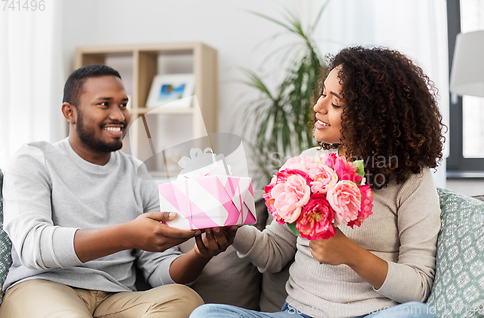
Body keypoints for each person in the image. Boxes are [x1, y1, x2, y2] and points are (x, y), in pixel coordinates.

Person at [190, 46, 446, 318]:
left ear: (371, 117)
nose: (317, 107)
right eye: (323, 94)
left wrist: (351, 254)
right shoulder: (305, 164)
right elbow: (273, 253)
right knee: (206, 315)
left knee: (415, 315)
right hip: (298, 314)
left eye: (335, 103)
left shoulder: (411, 180)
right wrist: (233, 230)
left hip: (373, 314)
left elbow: (418, 286)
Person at [0, 64, 236, 318]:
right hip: (43, 287)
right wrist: (127, 235)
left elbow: (157, 268)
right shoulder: (34, 159)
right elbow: (33, 247)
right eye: (104, 104)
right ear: (70, 113)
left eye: (123, 104)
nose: (120, 116)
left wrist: (200, 254)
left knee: (186, 300)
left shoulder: (136, 172)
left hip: (115, 298)